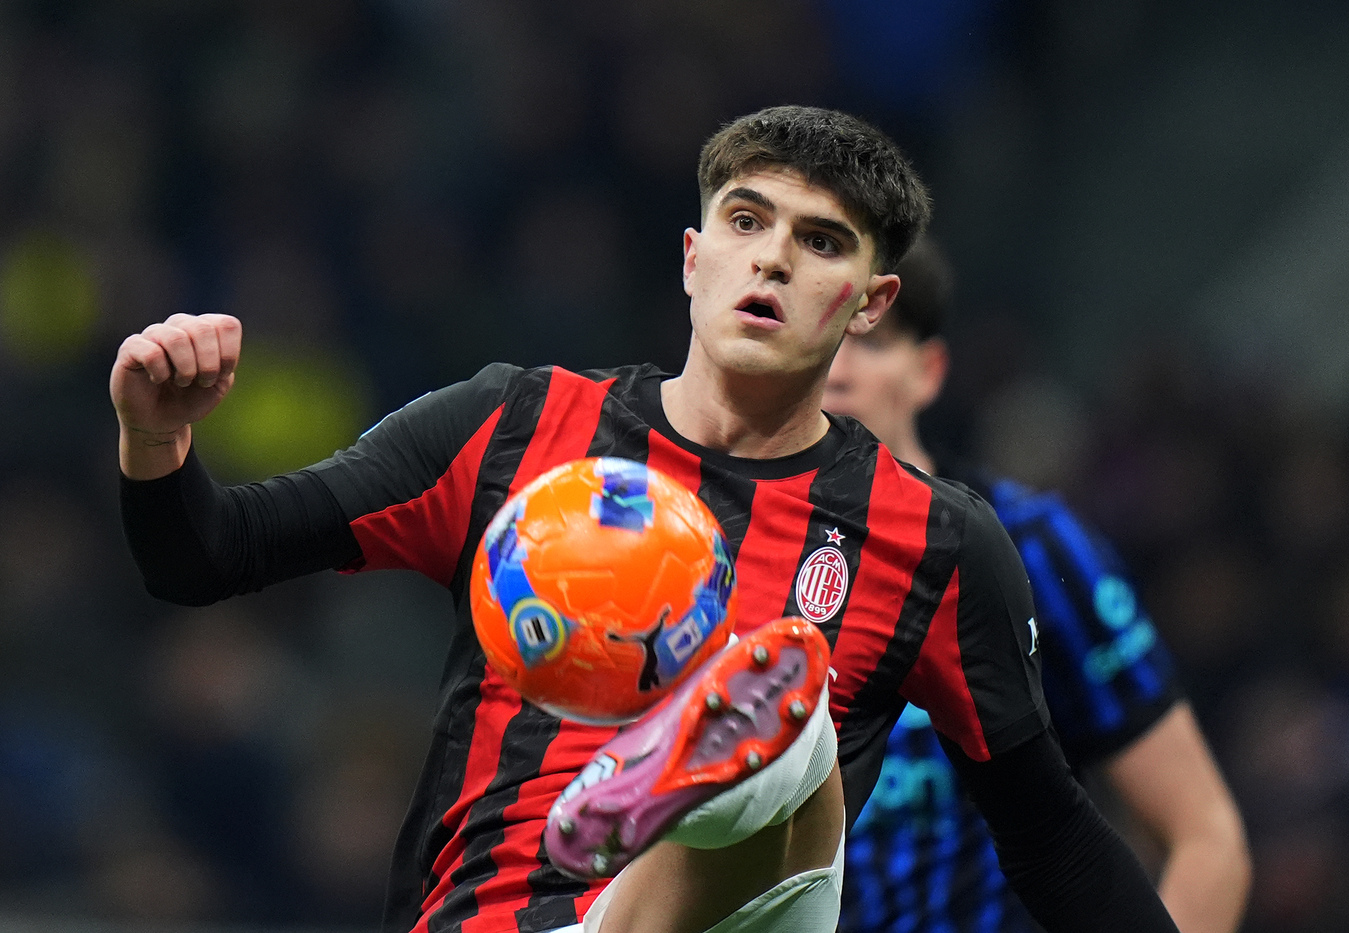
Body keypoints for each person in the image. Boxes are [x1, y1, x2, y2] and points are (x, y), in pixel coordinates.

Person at [112, 106, 1182, 933]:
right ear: (691, 257)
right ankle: (677, 807)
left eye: (820, 242)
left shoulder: (933, 543)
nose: (771, 259)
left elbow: (1050, 835)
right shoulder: (509, 426)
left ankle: (691, 788)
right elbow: (207, 555)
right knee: (792, 726)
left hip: (738, 911)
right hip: (498, 918)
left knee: (793, 722)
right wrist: (156, 439)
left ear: (869, 305)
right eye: (746, 222)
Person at [824, 237, 1252, 933]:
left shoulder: (1032, 546)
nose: (837, 371)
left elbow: (1207, 837)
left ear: (928, 371)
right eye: (820, 340)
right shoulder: (737, 560)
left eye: (869, 343)